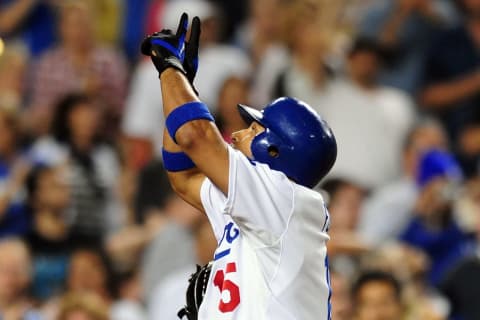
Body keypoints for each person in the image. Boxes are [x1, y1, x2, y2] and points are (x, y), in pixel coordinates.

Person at [141, 13, 337, 319]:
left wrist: (171, 72)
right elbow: (184, 176)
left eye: (254, 130)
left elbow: (195, 136)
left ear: (274, 149)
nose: (236, 133)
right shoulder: (261, 202)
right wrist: (181, 86)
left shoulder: (287, 200)